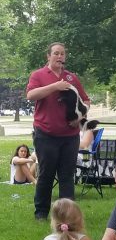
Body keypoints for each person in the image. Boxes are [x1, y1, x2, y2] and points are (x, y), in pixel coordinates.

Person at [26, 42, 90, 220]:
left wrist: (79, 118)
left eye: (62, 54)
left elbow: (86, 101)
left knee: (67, 176)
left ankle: (67, 216)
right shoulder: (38, 75)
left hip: (70, 137)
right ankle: (41, 213)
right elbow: (31, 95)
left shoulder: (71, 78)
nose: (60, 56)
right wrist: (55, 86)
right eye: (56, 53)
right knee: (46, 174)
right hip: (45, 134)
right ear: (48, 56)